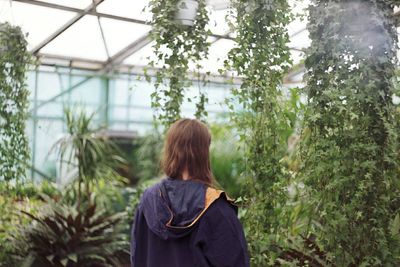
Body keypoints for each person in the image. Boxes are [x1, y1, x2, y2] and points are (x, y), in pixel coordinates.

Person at [130, 118, 250, 267]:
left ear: (169, 150)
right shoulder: (216, 209)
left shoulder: (149, 200)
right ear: (204, 153)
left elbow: (138, 256)